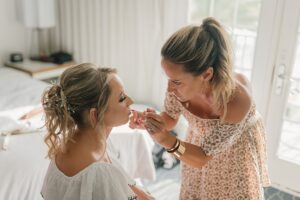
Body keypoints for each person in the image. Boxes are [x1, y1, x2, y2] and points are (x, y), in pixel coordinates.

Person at [130, 17, 270, 199]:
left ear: (206, 74)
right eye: (169, 79)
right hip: (197, 145)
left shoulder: (236, 99)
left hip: (235, 154)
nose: (170, 88)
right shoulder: (177, 88)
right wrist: (153, 122)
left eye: (177, 82)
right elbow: (170, 118)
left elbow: (203, 156)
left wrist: (165, 140)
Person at [41, 63, 154, 200]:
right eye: (122, 98)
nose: (131, 101)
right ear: (94, 115)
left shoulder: (76, 142)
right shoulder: (100, 174)